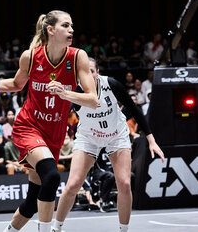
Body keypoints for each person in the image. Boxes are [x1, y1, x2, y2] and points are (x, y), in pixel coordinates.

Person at [0, 10, 98, 232]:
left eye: (72, 25)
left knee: (32, 202)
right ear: (51, 30)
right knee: (52, 177)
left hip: (54, 133)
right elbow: (16, 84)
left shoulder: (77, 57)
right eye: (65, 25)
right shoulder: (31, 56)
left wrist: (65, 93)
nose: (71, 30)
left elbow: (92, 100)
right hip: (29, 126)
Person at [53, 58, 164, 232]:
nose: (88, 74)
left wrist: (151, 139)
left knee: (124, 184)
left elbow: (133, 109)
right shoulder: (75, 91)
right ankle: (56, 228)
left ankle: (123, 230)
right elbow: (58, 118)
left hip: (116, 136)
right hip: (88, 137)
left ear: (97, 72)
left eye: (91, 70)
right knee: (73, 184)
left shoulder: (111, 85)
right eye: (84, 71)